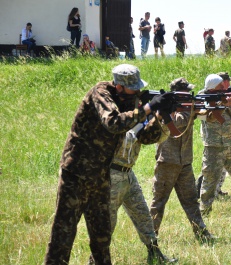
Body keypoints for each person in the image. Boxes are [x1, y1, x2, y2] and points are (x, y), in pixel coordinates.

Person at [44, 64, 175, 265]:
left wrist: (159, 116)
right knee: (63, 234)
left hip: (100, 177)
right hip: (76, 175)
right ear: (119, 86)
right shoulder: (101, 93)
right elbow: (114, 123)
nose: (137, 93)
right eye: (134, 89)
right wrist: (146, 108)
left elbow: (147, 137)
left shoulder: (128, 102)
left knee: (101, 236)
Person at [88, 114, 176, 264]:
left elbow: (158, 138)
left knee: (142, 215)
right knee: (107, 223)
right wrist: (145, 119)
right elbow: (128, 140)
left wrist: (162, 119)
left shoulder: (139, 119)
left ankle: (154, 253)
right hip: (112, 175)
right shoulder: (116, 118)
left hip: (128, 174)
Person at [150, 77, 216, 243]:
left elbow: (210, 118)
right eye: (186, 92)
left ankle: (202, 234)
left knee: (191, 201)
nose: (188, 95)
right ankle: (150, 239)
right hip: (167, 162)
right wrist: (190, 111)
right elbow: (177, 123)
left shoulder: (188, 108)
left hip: (185, 162)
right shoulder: (164, 109)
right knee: (158, 202)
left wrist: (212, 108)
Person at [198, 74, 231, 215]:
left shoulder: (226, 98)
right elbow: (208, 116)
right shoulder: (201, 100)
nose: (224, 89)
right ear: (211, 88)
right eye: (220, 87)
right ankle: (203, 213)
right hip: (213, 148)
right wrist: (223, 104)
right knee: (209, 183)